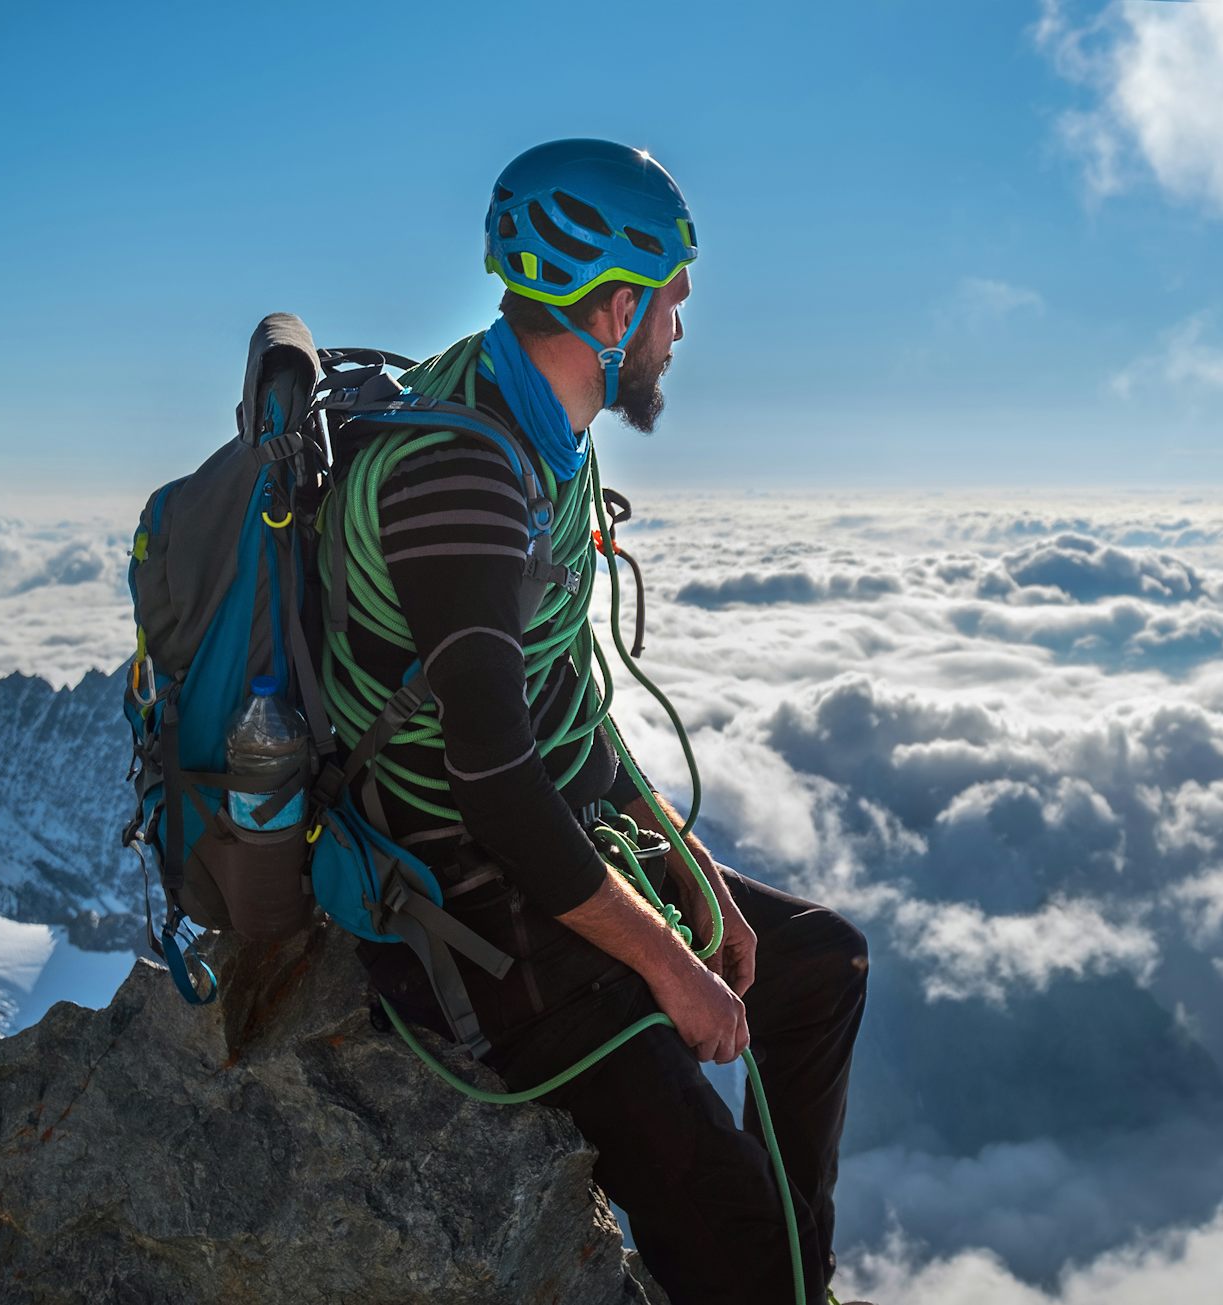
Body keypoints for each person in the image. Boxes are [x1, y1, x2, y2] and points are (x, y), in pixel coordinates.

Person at [338, 139, 870, 1305]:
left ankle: (791, 1270)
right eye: (673, 302)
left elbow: (566, 702)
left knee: (816, 962)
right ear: (617, 307)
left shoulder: (534, 433)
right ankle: (766, 1274)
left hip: (548, 850)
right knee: (738, 1250)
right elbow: (497, 788)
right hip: (468, 907)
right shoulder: (461, 480)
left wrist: (699, 885)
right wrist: (670, 967)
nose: (680, 330)